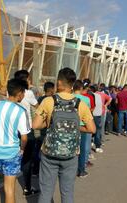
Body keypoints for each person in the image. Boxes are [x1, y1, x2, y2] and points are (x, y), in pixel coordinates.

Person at [32, 67, 95, 203]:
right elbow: (92, 129)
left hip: (49, 153)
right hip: (71, 155)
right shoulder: (80, 104)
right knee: (67, 193)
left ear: (59, 82)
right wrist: (75, 127)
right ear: (72, 84)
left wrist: (49, 124)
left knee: (46, 193)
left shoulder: (49, 101)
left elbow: (36, 125)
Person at [14, 70, 40, 196]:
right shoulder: (28, 93)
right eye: (29, 79)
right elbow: (38, 106)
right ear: (25, 80)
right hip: (26, 130)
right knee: (27, 160)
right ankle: (27, 188)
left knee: (15, 157)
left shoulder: (11, 92)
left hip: (13, 130)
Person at [34, 82, 56, 175]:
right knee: (45, 151)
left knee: (38, 148)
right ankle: (42, 170)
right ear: (51, 90)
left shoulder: (40, 99)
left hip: (41, 127)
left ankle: (35, 169)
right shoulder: (51, 100)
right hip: (48, 129)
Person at [73, 80, 92, 178]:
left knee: (72, 148)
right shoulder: (86, 99)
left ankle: (71, 169)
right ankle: (81, 170)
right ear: (81, 88)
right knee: (83, 149)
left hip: (71, 126)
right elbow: (87, 113)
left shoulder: (69, 98)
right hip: (83, 126)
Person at [90, 85, 104, 153]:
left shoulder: (91, 95)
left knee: (91, 130)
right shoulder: (99, 95)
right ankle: (97, 146)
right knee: (97, 131)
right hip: (98, 115)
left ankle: (93, 143)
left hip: (93, 115)